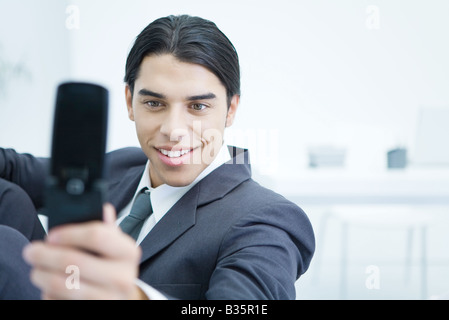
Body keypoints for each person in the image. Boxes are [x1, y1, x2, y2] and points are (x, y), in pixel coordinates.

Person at [0, 14, 315, 300]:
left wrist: (133, 296)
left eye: (198, 106)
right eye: (154, 104)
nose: (173, 130)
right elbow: (13, 168)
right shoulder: (126, 164)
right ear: (129, 101)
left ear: (231, 109)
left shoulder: (267, 219)